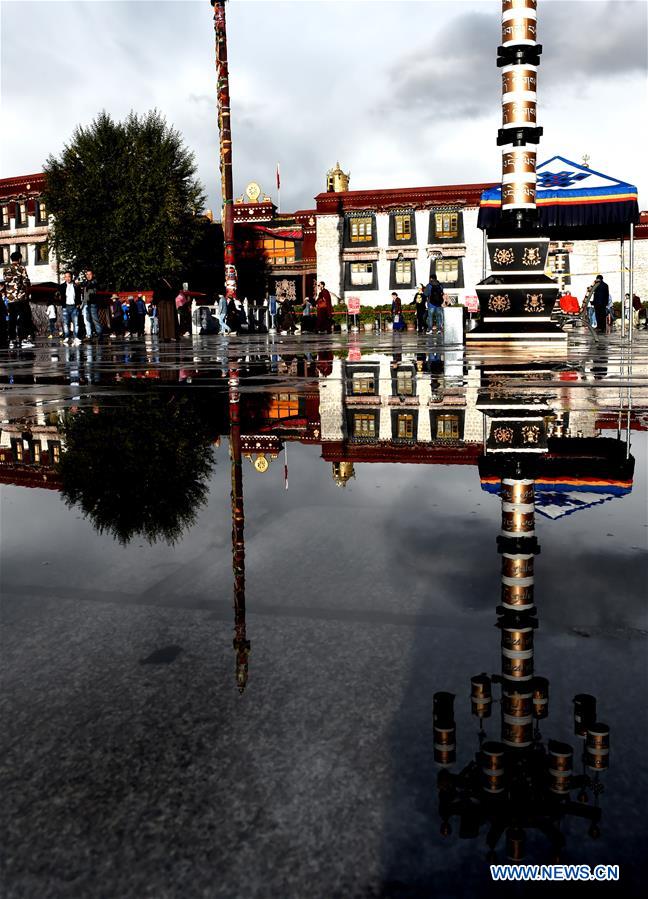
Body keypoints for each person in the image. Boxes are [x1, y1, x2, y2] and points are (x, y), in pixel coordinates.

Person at [3, 249, 34, 349]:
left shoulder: (6, 269)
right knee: (23, 318)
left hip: (10, 299)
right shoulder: (21, 269)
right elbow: (26, 282)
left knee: (12, 319)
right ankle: (23, 339)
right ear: (19, 259)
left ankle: (12, 339)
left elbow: (6, 282)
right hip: (20, 298)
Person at [59, 270, 82, 344]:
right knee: (66, 323)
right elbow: (59, 296)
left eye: (69, 276)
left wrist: (79, 303)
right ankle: (66, 337)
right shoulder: (61, 286)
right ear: (64, 278)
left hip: (74, 306)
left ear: (71, 277)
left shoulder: (76, 285)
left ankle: (76, 337)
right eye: (66, 277)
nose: (67, 278)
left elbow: (79, 295)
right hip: (66, 306)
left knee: (76, 323)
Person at [79, 269, 102, 340]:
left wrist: (80, 283)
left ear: (93, 275)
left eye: (90, 274)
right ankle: (90, 334)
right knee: (87, 320)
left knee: (95, 319)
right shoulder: (86, 282)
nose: (88, 276)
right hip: (86, 303)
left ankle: (99, 334)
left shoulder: (94, 281)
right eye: (87, 274)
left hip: (92, 303)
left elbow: (89, 284)